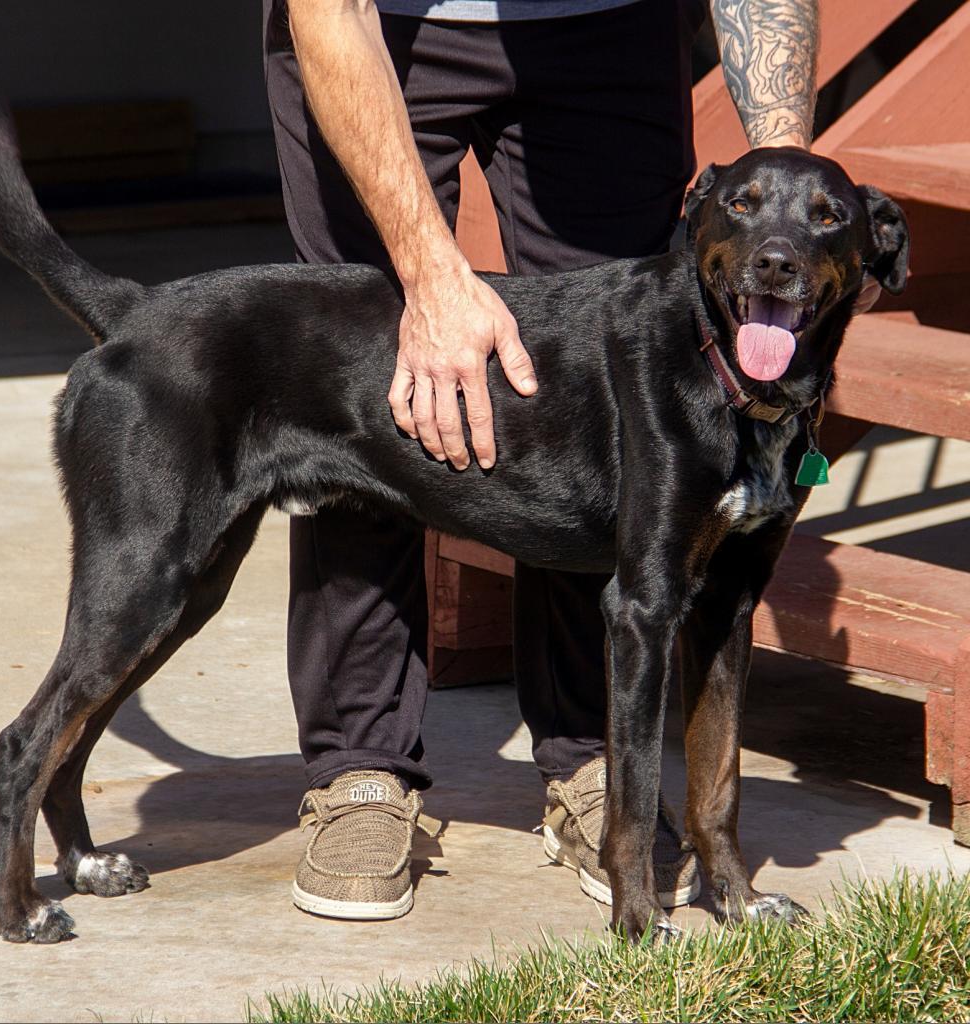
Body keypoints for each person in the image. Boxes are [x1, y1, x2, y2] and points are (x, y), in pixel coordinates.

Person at [263, 0, 820, 921]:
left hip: (608, 22)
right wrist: (430, 274)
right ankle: (360, 769)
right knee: (363, 378)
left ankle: (591, 760)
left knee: (614, 404)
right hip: (379, 24)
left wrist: (788, 192)